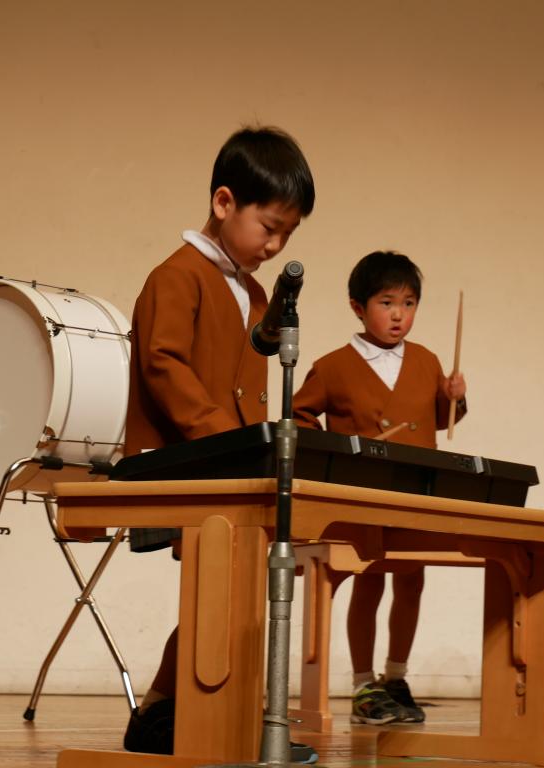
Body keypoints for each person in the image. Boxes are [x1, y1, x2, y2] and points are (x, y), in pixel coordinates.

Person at [122, 126, 316, 760]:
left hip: (232, 469)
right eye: (269, 225)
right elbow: (163, 366)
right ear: (225, 201)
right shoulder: (176, 276)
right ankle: (164, 713)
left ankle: (188, 712)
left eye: (289, 232)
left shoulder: (255, 292)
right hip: (188, 465)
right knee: (217, 597)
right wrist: (231, 443)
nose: (277, 243)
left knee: (232, 599)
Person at [292, 250, 467, 725]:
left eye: (409, 303)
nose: (398, 314)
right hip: (364, 497)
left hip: (417, 496)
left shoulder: (429, 360)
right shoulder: (333, 366)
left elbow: (444, 417)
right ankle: (363, 683)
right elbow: (299, 417)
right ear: (357, 306)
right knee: (368, 582)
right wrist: (338, 450)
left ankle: (396, 676)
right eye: (387, 302)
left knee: (412, 581)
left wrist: (456, 397)